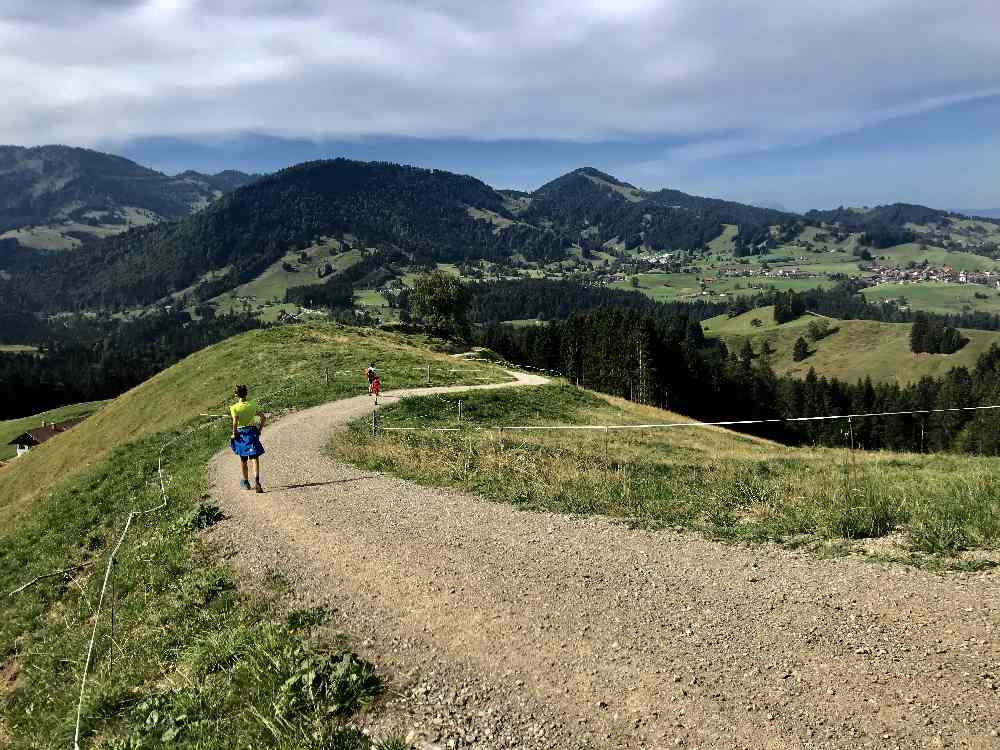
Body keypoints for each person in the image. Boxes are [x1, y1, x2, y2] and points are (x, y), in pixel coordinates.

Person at [229, 384, 266, 493]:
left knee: (243, 459)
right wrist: (259, 430)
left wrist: (234, 433)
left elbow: (235, 422)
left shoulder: (234, 408)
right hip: (252, 432)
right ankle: (257, 481)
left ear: (236, 395)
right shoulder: (253, 404)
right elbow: (263, 417)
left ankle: (245, 482)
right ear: (246, 393)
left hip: (241, 434)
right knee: (254, 458)